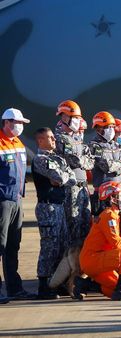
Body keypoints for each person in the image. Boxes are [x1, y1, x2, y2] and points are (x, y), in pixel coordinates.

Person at [31, 128, 76, 299]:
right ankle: (44, 286)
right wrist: (60, 178)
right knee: (49, 247)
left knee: (62, 245)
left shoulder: (56, 158)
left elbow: (70, 178)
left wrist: (60, 178)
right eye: (49, 138)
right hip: (47, 208)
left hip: (59, 207)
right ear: (40, 141)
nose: (53, 140)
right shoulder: (40, 159)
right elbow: (58, 176)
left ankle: (57, 283)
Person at [78, 181, 121, 301]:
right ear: (112, 198)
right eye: (120, 195)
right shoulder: (109, 215)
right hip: (93, 259)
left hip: (98, 260)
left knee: (117, 289)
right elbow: (116, 244)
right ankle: (120, 291)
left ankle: (84, 285)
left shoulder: (114, 215)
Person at [0, 108, 35, 302]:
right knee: (0, 245)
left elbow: (33, 162)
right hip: (2, 201)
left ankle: (14, 288)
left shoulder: (18, 143)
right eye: (17, 122)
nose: (20, 126)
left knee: (13, 246)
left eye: (22, 123)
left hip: (17, 201)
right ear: (6, 122)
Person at [54, 100, 94, 250]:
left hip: (83, 187)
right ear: (64, 117)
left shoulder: (77, 140)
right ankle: (70, 269)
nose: (78, 121)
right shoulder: (59, 138)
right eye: (75, 118)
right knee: (73, 228)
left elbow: (91, 162)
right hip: (70, 188)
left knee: (85, 226)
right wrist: (83, 160)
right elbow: (74, 160)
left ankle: (82, 267)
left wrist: (83, 160)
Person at [89, 111, 121, 216]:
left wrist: (118, 164)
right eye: (107, 127)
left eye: (112, 127)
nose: (111, 130)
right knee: (105, 223)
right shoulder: (94, 146)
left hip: (119, 193)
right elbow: (107, 167)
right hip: (103, 195)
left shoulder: (116, 145)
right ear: (98, 128)